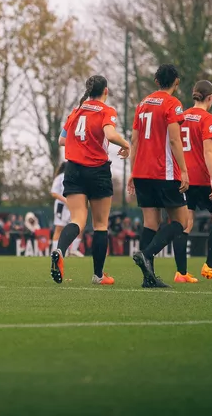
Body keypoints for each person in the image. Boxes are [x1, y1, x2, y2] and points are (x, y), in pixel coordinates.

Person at [50, 75, 129, 286]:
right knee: (101, 225)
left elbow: (61, 140)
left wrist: (79, 143)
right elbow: (110, 135)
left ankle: (59, 250)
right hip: (97, 170)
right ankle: (98, 275)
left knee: (77, 219)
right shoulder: (106, 110)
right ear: (106, 91)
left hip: (73, 169)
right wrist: (127, 144)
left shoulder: (76, 111)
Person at [127, 64, 189, 288]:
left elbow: (134, 140)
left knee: (151, 223)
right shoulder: (173, 104)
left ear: (156, 81)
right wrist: (183, 170)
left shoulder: (142, 104)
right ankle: (147, 253)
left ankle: (148, 278)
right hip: (164, 172)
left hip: (142, 171)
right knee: (182, 221)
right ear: (177, 81)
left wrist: (132, 171)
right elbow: (174, 140)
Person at [178, 80, 212, 283]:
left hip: (183, 178)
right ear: (210, 98)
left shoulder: (182, 116)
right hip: (202, 178)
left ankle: (181, 273)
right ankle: (210, 267)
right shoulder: (207, 118)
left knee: (186, 224)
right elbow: (208, 151)